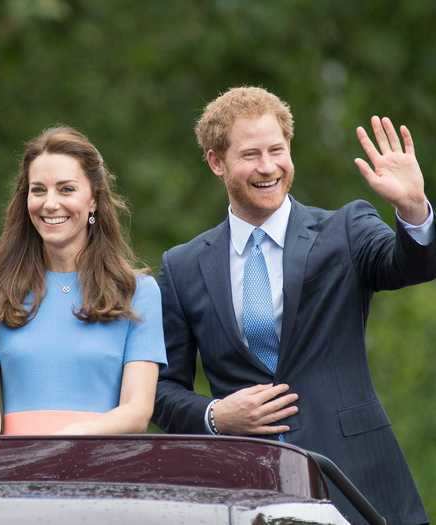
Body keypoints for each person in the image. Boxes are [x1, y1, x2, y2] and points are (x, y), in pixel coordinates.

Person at [153, 86, 433, 524]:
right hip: (242, 493)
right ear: (215, 161)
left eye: (276, 150)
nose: (267, 167)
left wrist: (414, 208)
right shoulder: (183, 265)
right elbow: (162, 390)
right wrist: (214, 413)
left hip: (356, 482)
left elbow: (410, 266)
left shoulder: (346, 230)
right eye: (250, 155)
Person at [0, 126, 166, 436]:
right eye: (39, 189)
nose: (50, 203)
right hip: (14, 473)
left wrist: (64, 444)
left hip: (101, 471)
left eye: (66, 189)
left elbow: (137, 411)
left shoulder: (138, 293)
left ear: (94, 200)